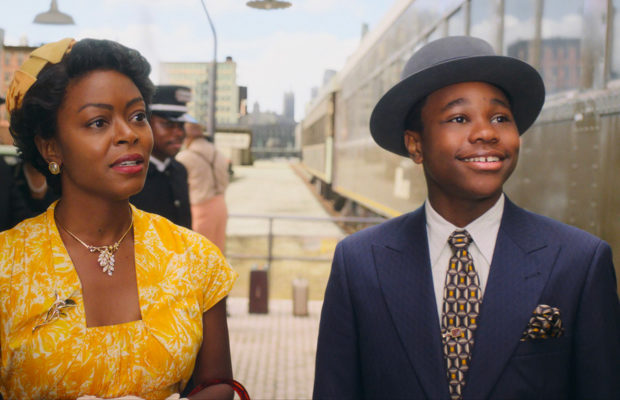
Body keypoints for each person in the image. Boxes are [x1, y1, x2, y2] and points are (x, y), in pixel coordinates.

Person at [313, 36, 620, 400]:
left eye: (500, 117)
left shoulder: (579, 262)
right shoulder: (359, 263)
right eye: (459, 118)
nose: (487, 132)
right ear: (416, 144)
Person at [0, 38, 238, 400]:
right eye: (98, 122)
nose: (129, 134)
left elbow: (218, 383)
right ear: (51, 147)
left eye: (138, 116)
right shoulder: (8, 267)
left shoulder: (195, 259)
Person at [130, 85, 192, 229]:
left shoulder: (179, 170)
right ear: (145, 124)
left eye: (181, 125)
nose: (178, 133)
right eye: (168, 124)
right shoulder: (131, 173)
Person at [176, 118, 229, 251]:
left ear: (187, 137)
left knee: (198, 254)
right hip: (221, 205)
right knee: (217, 253)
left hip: (199, 208)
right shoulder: (219, 154)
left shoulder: (185, 157)